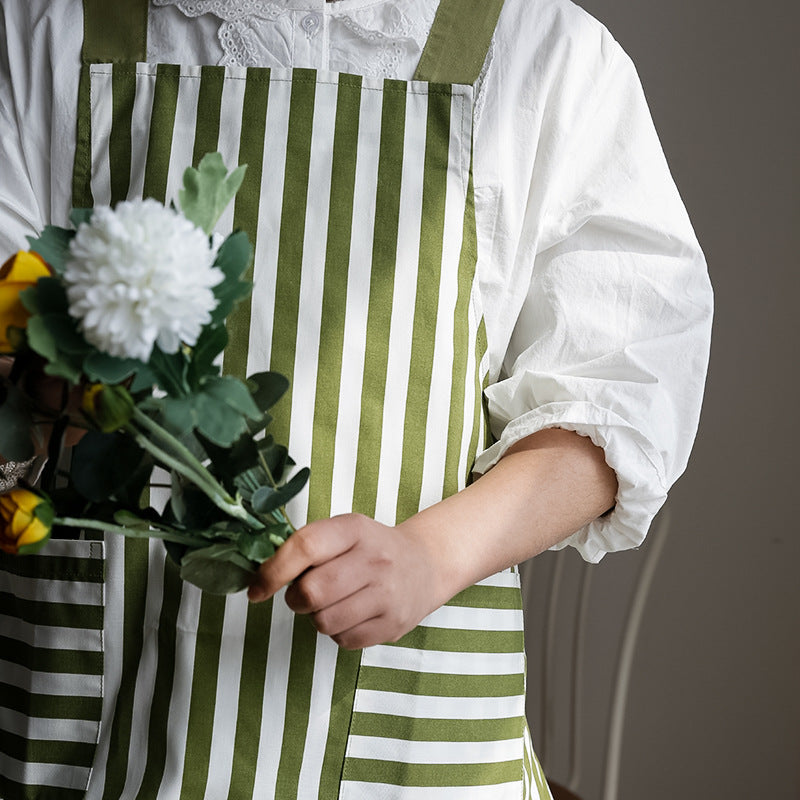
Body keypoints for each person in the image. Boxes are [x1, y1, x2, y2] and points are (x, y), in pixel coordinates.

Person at [0, 0, 712, 798]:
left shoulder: (544, 55)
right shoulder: (46, 30)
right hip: (87, 722)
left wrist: (432, 556)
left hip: (411, 731)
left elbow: (625, 386)